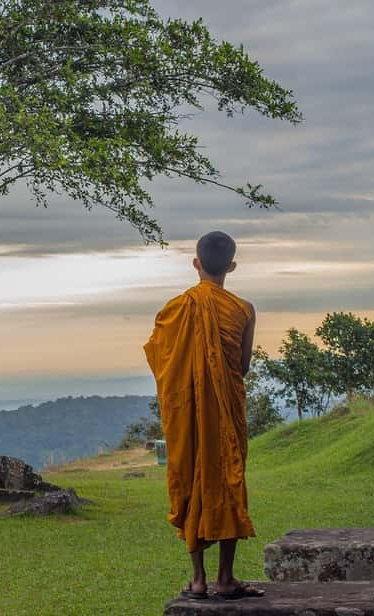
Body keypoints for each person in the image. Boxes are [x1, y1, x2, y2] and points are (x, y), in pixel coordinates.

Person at [142, 231, 265, 601]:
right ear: (231, 266)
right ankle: (225, 578)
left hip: (188, 417)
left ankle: (198, 580)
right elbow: (241, 367)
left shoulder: (174, 310)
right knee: (227, 478)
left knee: (190, 477)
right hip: (226, 412)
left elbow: (162, 362)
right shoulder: (243, 309)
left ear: (196, 263)